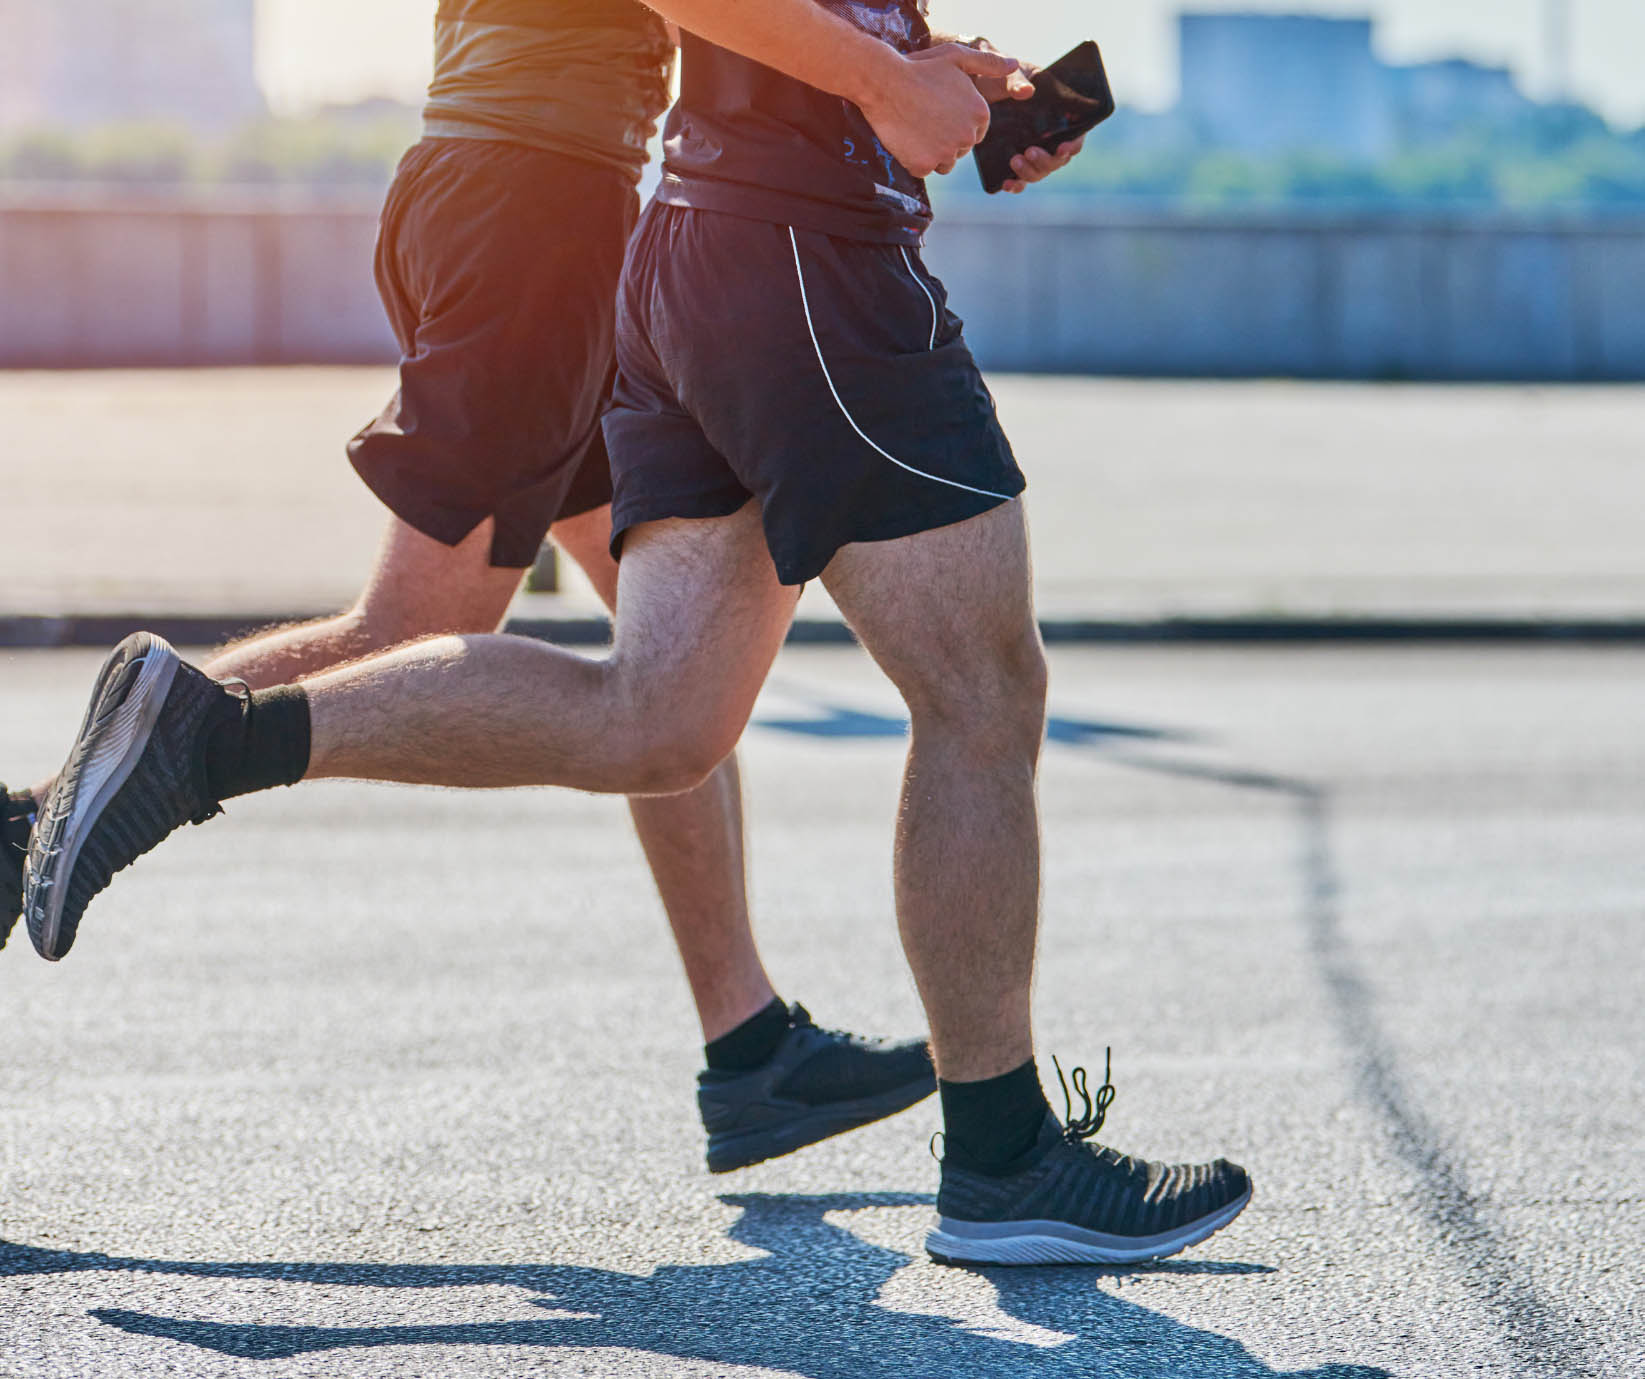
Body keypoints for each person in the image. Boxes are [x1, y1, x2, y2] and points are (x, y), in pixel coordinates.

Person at [22, 0, 1253, 1266]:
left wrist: (923, 74)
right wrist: (885, 86)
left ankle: (740, 1036)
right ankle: (992, 1152)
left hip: (658, 227)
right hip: (683, 234)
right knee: (975, 691)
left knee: (657, 717)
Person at [0, 0, 954, 1179]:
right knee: (419, 626)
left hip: (525, 188)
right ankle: (33, 821)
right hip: (536, 206)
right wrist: (881, 81)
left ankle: (747, 1040)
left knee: (663, 651)